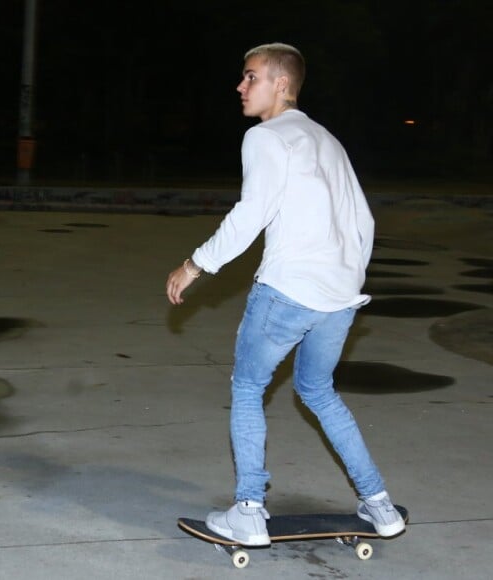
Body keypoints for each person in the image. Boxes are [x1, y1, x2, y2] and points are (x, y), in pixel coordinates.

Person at [166, 42, 405, 546]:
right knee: (319, 392)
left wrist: (195, 264)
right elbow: (363, 219)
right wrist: (347, 278)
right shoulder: (325, 139)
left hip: (287, 292)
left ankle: (249, 509)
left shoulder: (266, 138)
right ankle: (380, 505)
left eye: (250, 76)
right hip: (339, 298)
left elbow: (250, 213)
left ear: (281, 83)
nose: (240, 86)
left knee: (248, 387)